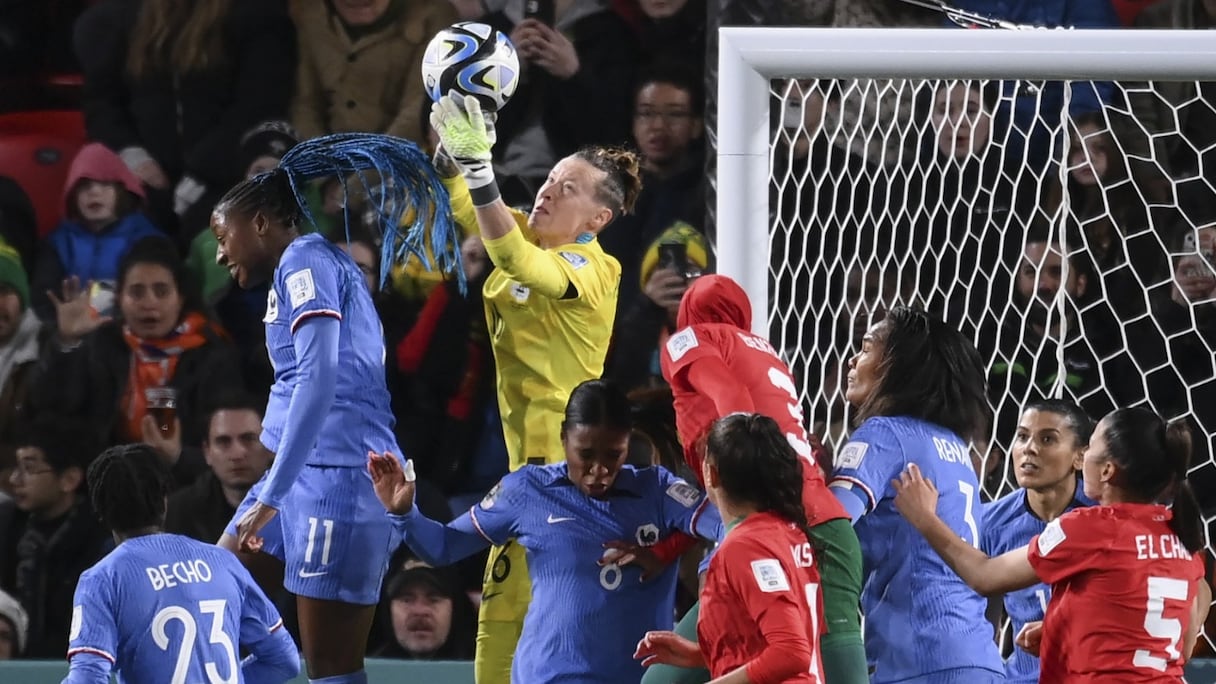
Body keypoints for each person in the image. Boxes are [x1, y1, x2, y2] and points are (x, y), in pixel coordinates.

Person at [210, 132, 459, 684]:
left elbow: (319, 383)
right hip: (296, 479)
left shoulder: (305, 263)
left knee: (331, 669)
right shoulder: (307, 266)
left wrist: (269, 498)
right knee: (209, 600)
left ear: (258, 224)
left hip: (340, 484)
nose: (220, 253)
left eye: (222, 236)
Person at [430, 92, 641, 681]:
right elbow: (464, 207)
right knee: (499, 627)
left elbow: (520, 265)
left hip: (570, 480)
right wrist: (451, 156)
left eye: (568, 188)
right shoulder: (525, 232)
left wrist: (480, 171)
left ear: (598, 219)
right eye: (550, 178)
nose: (548, 189)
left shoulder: (595, 268)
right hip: (525, 473)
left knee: (547, 636)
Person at [366, 379, 723, 684]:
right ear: (564, 438)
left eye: (613, 455)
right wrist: (403, 513)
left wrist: (669, 551)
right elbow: (442, 547)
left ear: (628, 444)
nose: (598, 470)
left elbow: (732, 526)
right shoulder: (527, 492)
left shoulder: (658, 492)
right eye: (586, 454)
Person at [632, 274, 866, 684]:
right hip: (823, 525)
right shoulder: (768, 354)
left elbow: (733, 404)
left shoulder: (688, 340)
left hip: (772, 525)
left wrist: (732, 449)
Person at [893, 407, 1212, 682]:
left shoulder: (1090, 527)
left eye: (1092, 446)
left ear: (1106, 470)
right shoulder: (1180, 532)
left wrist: (924, 516)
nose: (1085, 454)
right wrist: (1068, 627)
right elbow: (1179, 642)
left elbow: (983, 575)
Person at [828, 306, 1004, 683]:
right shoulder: (953, 446)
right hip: (979, 659)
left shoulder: (885, 434)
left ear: (900, 366)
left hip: (920, 658)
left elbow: (828, 525)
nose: (853, 360)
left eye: (866, 347)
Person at [63, 443, 299, 683]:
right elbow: (284, 660)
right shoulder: (223, 562)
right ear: (164, 500)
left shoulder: (102, 579)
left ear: (100, 511)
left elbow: (88, 677)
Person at [635, 413, 826, 683]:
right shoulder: (787, 533)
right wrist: (699, 655)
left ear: (710, 473)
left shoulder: (746, 546)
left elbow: (791, 651)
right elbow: (768, 641)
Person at [981, 399, 1095, 682]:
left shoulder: (1103, 518)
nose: (1029, 448)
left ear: (1080, 456)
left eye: (1047, 439)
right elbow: (982, 616)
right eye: (1022, 436)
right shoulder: (991, 522)